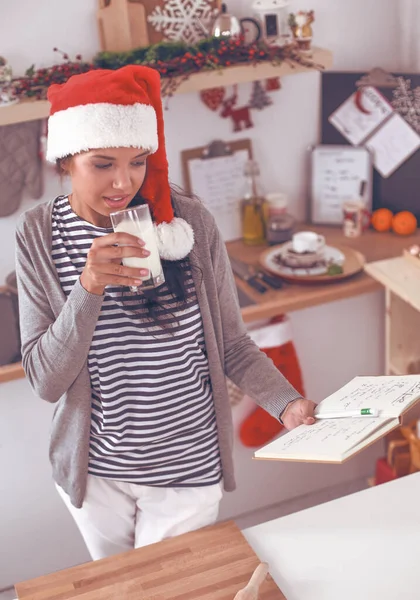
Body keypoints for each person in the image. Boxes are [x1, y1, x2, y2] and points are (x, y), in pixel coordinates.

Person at [15, 65, 316, 561]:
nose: (123, 182)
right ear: (67, 160)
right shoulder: (38, 236)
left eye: (137, 162)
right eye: (103, 164)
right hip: (99, 476)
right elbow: (47, 382)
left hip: (188, 471)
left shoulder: (187, 222)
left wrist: (287, 404)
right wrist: (88, 288)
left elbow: (232, 345)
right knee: (123, 591)